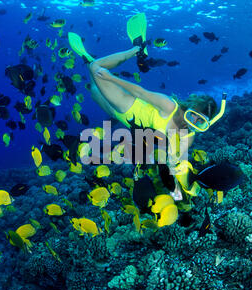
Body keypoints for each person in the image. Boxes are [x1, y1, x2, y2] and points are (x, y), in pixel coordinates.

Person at [68, 14, 226, 201]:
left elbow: (176, 161)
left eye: (200, 123)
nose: (192, 124)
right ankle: (136, 49)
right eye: (193, 116)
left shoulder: (188, 138)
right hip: (129, 107)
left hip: (125, 123)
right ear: (189, 108)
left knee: (94, 91)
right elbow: (140, 92)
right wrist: (111, 78)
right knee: (97, 69)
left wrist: (177, 186)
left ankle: (87, 60)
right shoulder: (170, 106)